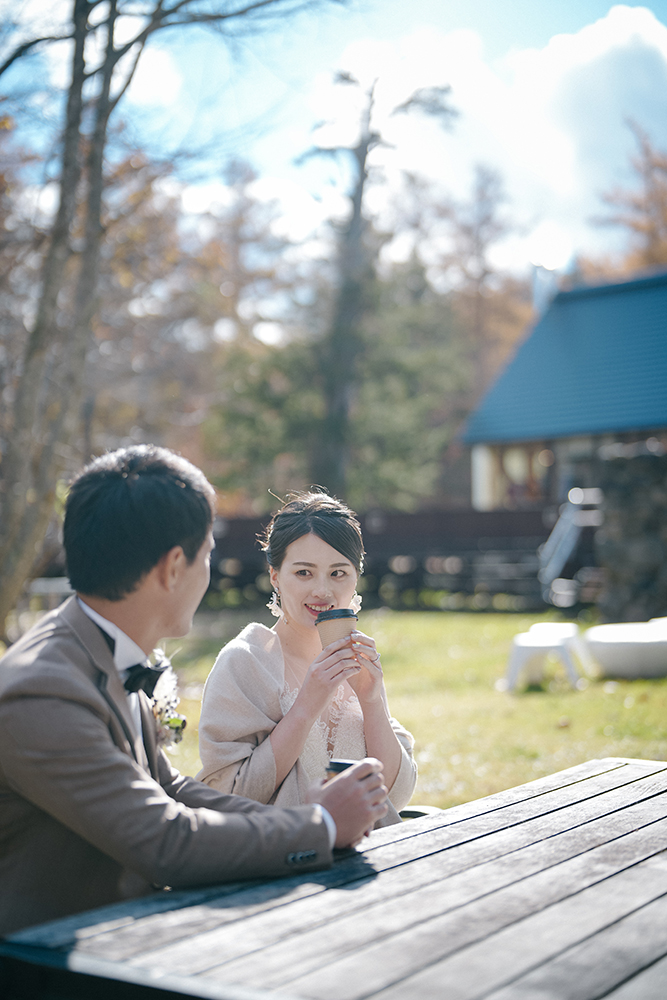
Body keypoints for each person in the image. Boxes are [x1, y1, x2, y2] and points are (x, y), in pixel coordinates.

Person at [0, 447, 388, 937]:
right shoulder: (44, 691)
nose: (210, 572)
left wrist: (308, 819)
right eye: (207, 555)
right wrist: (319, 827)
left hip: (125, 934)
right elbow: (167, 843)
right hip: (44, 960)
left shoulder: (96, 647)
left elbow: (170, 789)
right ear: (172, 568)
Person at [197, 492, 417, 824]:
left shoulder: (356, 660)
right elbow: (227, 797)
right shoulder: (245, 662)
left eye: (338, 573)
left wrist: (372, 700)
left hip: (375, 859)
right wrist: (306, 706)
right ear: (275, 576)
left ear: (356, 577)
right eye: (303, 573)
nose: (322, 591)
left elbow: (394, 795)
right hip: (280, 862)